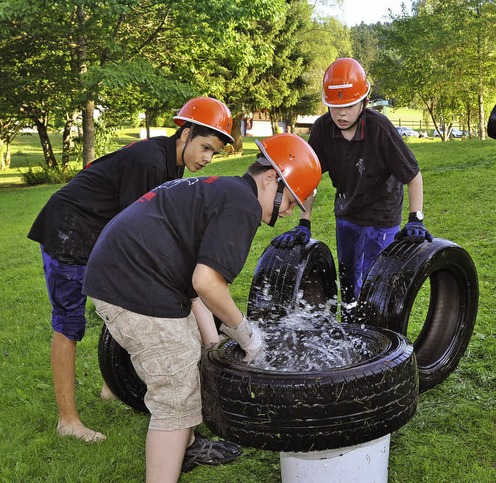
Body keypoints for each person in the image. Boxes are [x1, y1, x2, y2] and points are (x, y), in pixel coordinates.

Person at [83, 133, 321, 480]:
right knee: (175, 397)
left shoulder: (226, 191)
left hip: (125, 272)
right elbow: (207, 282)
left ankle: (187, 445)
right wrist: (246, 334)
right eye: (290, 203)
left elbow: (195, 287)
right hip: (133, 284)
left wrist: (212, 347)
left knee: (186, 362)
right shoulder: (243, 205)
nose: (287, 213)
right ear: (272, 178)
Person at [27, 97, 235, 443]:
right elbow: (137, 231)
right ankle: (68, 421)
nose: (206, 159)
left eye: (212, 153)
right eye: (204, 147)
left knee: (121, 302)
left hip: (101, 232)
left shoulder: (173, 161)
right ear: (184, 132)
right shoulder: (150, 163)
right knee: (69, 323)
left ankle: (110, 386)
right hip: (70, 231)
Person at [272, 57, 431, 322]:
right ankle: (350, 322)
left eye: (348, 106)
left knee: (375, 276)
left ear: (363, 102)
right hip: (346, 211)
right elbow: (309, 178)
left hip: (382, 212)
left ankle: (377, 328)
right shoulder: (323, 129)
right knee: (347, 275)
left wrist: (416, 218)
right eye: (334, 107)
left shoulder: (380, 129)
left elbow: (413, 175)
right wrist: (304, 223)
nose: (341, 114)